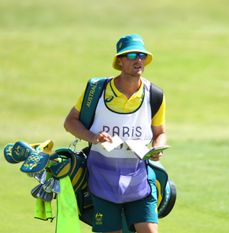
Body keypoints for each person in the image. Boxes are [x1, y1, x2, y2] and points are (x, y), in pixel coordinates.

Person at [64, 34, 166, 233]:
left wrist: (157, 147)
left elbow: (160, 132)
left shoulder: (155, 94)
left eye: (142, 55)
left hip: (139, 179)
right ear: (119, 61)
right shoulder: (97, 90)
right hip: (102, 180)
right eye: (131, 55)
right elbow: (70, 122)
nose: (138, 60)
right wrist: (93, 138)